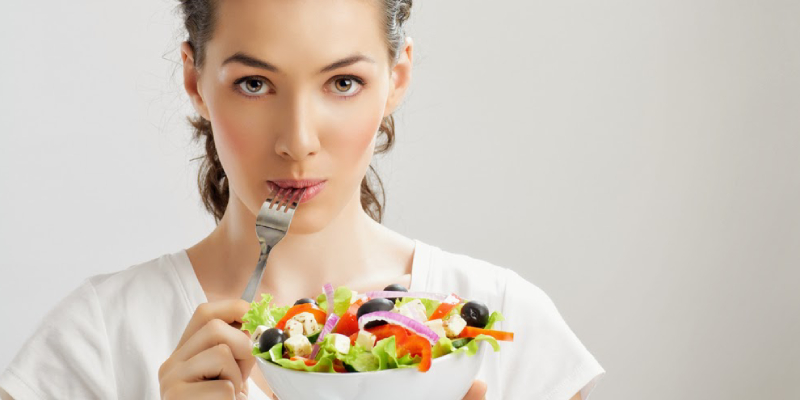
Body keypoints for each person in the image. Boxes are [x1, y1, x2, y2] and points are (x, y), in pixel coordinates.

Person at [0, 0, 605, 399]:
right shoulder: (97, 340)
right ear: (194, 81)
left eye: (343, 83)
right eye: (254, 84)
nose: (298, 141)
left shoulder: (508, 328)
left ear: (396, 78)